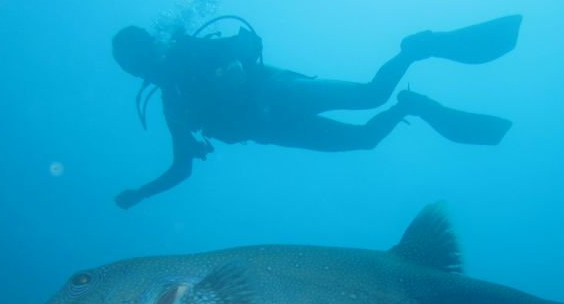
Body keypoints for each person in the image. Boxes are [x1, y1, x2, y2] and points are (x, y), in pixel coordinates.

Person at [111, 15, 522, 209]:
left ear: (150, 46)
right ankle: (411, 105)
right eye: (131, 65)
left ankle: (418, 47)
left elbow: (246, 41)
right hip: (274, 130)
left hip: (279, 92)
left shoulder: (190, 51)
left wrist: (234, 67)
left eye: (139, 55)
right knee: (365, 139)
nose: (140, 66)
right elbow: (182, 167)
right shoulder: (173, 107)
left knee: (371, 95)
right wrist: (143, 192)